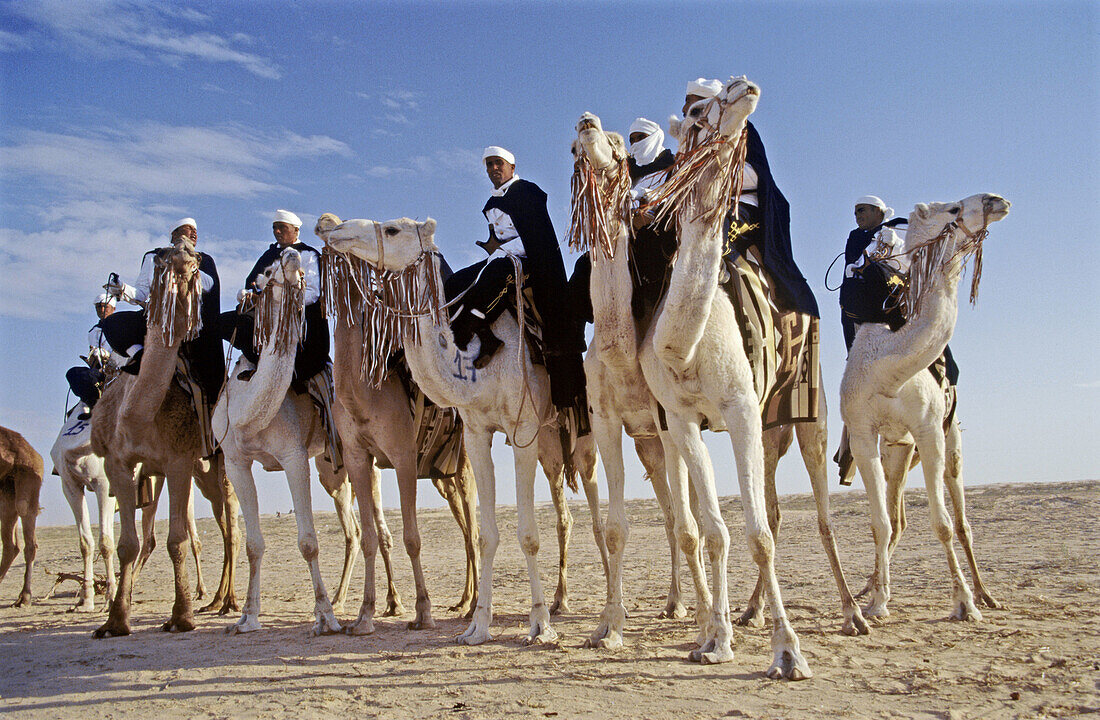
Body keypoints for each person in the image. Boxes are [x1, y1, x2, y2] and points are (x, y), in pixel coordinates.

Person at [444, 146, 587, 423]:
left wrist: (501, 252)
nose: (493, 169)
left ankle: (468, 329)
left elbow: (535, 237)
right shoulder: (492, 201)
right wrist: (494, 250)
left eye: (498, 164)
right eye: (489, 165)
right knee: (456, 281)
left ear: (511, 166)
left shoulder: (527, 192)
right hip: (502, 258)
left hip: (532, 262)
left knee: (496, 275)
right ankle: (486, 336)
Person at [681, 78, 819, 319]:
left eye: (689, 103)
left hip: (741, 208)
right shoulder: (691, 138)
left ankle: (735, 312)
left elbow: (757, 175)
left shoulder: (744, 130)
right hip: (697, 208)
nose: (683, 110)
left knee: (713, 241)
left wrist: (714, 172)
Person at [101, 217, 224, 402]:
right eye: (188, 229)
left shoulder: (202, 259)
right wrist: (122, 288)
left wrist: (187, 264)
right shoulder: (153, 257)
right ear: (174, 234)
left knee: (213, 381)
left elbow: (209, 285)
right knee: (112, 324)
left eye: (195, 230)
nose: (194, 233)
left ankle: (213, 409)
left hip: (191, 327)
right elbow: (141, 293)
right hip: (158, 321)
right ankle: (142, 358)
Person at [224, 209, 329, 394]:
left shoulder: (309, 255)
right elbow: (252, 284)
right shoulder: (268, 255)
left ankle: (297, 376)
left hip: (296, 314)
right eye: (274, 228)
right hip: (263, 313)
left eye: (282, 227)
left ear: (296, 230)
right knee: (220, 323)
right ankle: (258, 363)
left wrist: (281, 301)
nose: (277, 232)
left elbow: (313, 293)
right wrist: (247, 295)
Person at [838, 195, 910, 350]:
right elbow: (851, 262)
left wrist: (896, 243)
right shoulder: (854, 237)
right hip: (859, 302)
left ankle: (899, 326)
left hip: (893, 294)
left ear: (877, 211)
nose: (857, 216)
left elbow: (913, 262)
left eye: (861, 210)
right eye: (855, 213)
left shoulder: (899, 228)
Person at [65, 294, 119, 418]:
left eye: (105, 307)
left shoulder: (119, 326)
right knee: (73, 373)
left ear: (113, 309)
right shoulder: (93, 332)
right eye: (99, 307)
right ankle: (90, 402)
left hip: (115, 369)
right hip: (97, 370)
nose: (102, 310)